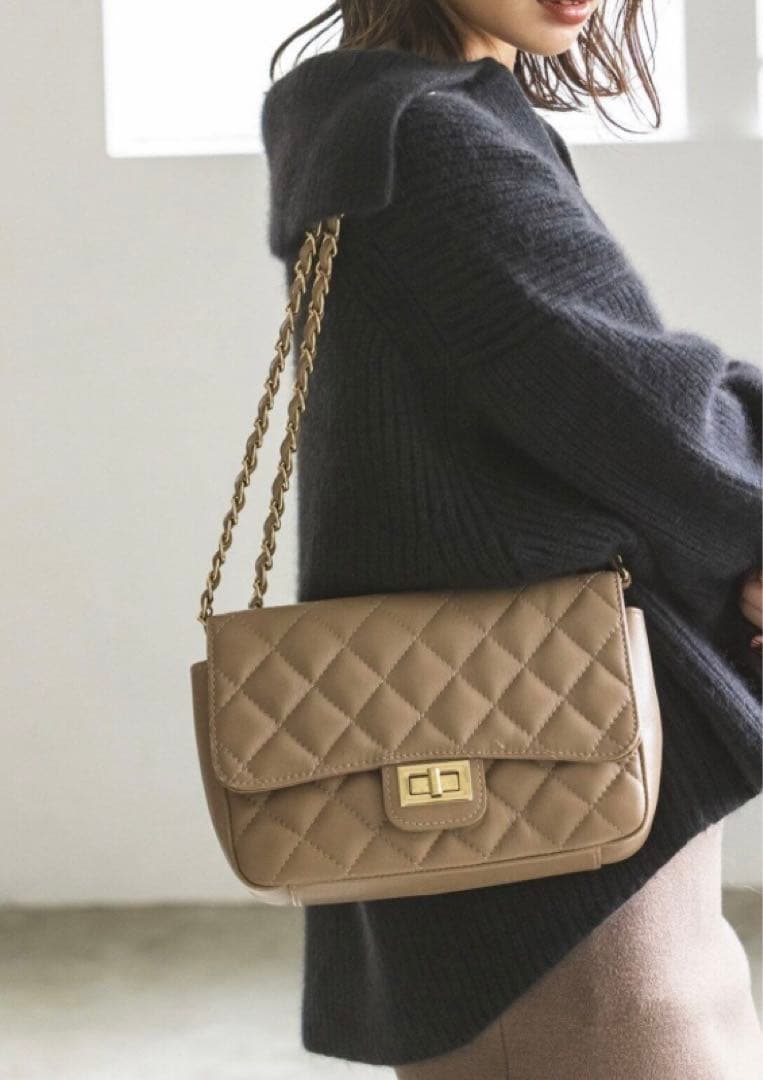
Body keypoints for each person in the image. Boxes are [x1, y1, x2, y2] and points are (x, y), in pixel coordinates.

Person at [260, 1, 763, 1075]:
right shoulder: (426, 137)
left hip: (527, 778)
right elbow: (644, 418)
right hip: (561, 861)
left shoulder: (372, 120)